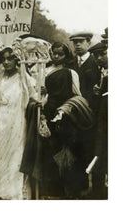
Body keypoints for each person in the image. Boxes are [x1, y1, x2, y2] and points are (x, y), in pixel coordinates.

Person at [39, 42, 92, 199]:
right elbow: (42, 95)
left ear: (66, 55)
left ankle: (71, 190)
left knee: (67, 153)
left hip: (65, 117)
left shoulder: (71, 73)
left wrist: (66, 110)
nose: (56, 56)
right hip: (48, 114)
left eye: (59, 54)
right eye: (54, 53)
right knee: (50, 151)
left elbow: (77, 95)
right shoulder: (46, 70)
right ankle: (53, 190)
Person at [0, 46, 37, 199]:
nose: (6, 62)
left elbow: (33, 97)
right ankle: (1, 191)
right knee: (0, 155)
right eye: (4, 59)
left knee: (16, 155)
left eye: (10, 59)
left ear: (16, 60)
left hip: (17, 122)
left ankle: (14, 191)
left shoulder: (24, 78)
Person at [89, 41, 108, 199]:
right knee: (99, 153)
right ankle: (98, 192)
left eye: (103, 54)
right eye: (97, 56)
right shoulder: (99, 71)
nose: (100, 58)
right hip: (101, 119)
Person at [69, 32, 101, 110]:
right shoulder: (69, 63)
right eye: (75, 42)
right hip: (71, 106)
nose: (78, 45)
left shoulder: (96, 63)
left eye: (81, 41)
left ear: (88, 43)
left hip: (91, 107)